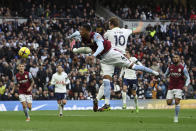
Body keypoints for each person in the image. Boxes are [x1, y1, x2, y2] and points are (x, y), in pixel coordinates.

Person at [68, 24, 159, 112]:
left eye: (82, 30)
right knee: (106, 81)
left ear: (87, 31)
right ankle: (107, 104)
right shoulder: (82, 35)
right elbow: (75, 33)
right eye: (80, 30)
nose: (80, 32)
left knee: (133, 66)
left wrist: (93, 56)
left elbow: (101, 46)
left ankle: (154, 73)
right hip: (104, 60)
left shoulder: (96, 35)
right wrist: (69, 37)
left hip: (111, 54)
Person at [164, 54, 190, 123]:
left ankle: (176, 117)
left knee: (177, 101)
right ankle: (176, 103)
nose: (175, 58)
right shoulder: (170, 67)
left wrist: (186, 85)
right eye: (174, 57)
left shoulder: (182, 68)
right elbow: (165, 75)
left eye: (176, 57)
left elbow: (188, 78)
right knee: (168, 103)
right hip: (171, 87)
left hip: (179, 87)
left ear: (179, 58)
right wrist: (166, 79)